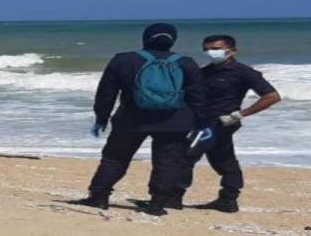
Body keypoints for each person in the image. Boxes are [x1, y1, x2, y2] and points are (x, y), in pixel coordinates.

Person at [69, 23, 209, 216]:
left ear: (145, 38)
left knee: (115, 159)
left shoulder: (123, 60)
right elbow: (198, 96)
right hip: (175, 121)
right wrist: (202, 123)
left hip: (131, 119)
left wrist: (101, 118)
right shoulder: (186, 62)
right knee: (168, 163)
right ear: (173, 40)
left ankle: (99, 197)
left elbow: (106, 93)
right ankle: (157, 204)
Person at [178, 35, 281, 213]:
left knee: (186, 156)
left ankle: (172, 197)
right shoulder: (205, 71)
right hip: (201, 121)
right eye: (207, 49)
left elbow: (272, 96)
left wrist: (239, 114)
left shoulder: (244, 72)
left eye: (216, 49)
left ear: (232, 50)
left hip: (221, 122)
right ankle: (227, 200)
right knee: (223, 160)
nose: (211, 52)